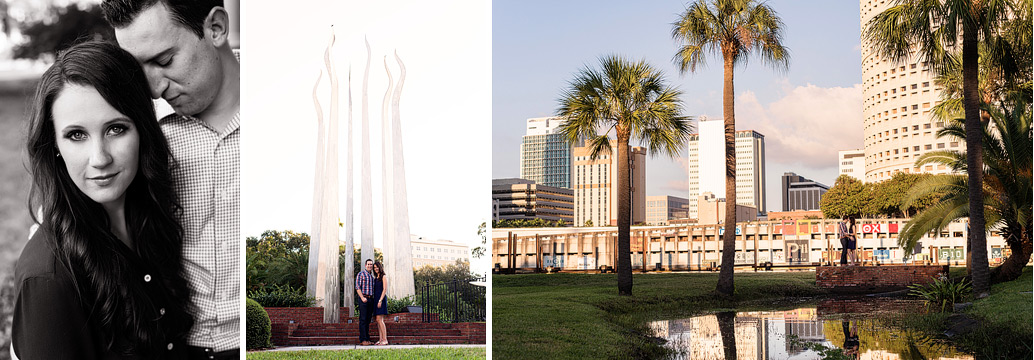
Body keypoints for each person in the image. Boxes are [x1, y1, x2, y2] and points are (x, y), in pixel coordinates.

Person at [13, 40, 193, 359]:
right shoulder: (48, 278)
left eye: (115, 129)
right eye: (76, 135)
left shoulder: (156, 216)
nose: (99, 158)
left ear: (142, 129)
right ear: (54, 144)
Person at [100, 1, 240, 358]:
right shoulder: (130, 124)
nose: (153, 88)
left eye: (164, 61)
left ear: (216, 29)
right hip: (169, 345)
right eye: (138, 68)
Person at [355, 259, 376, 346]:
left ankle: (367, 339)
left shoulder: (372, 277)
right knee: (363, 320)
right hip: (363, 299)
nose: (370, 266)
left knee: (368, 320)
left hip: (371, 299)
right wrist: (362, 297)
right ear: (365, 265)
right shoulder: (361, 274)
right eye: (368, 264)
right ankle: (363, 340)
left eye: (371, 264)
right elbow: (357, 287)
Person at [372, 261, 390, 345]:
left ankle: (385, 339)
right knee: (377, 320)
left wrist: (380, 300)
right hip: (376, 300)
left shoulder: (383, 276)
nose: (376, 269)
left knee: (380, 319)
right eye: (374, 267)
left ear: (380, 267)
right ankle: (380, 339)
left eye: (377, 267)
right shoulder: (375, 278)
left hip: (381, 300)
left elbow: (384, 289)